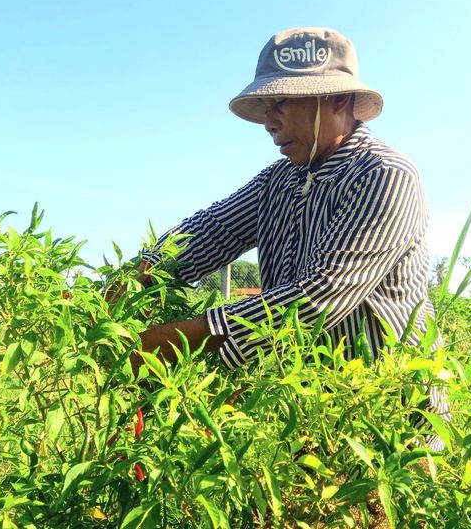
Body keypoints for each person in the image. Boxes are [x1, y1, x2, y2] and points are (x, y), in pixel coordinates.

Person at [134, 27, 448, 450]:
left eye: (280, 103)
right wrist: (132, 281)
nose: (268, 122)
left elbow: (320, 297)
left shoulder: (384, 174)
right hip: (310, 405)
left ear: (338, 99)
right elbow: (207, 232)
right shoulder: (278, 181)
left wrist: (176, 340)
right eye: (266, 106)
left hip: (390, 409)